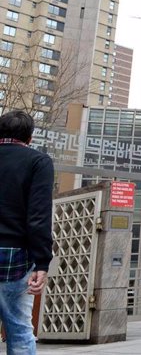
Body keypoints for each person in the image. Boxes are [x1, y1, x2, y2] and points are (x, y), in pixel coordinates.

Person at [0, 110, 54, 355]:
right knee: (20, 329)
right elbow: (38, 216)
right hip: (16, 258)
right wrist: (43, 261)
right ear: (30, 138)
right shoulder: (38, 162)